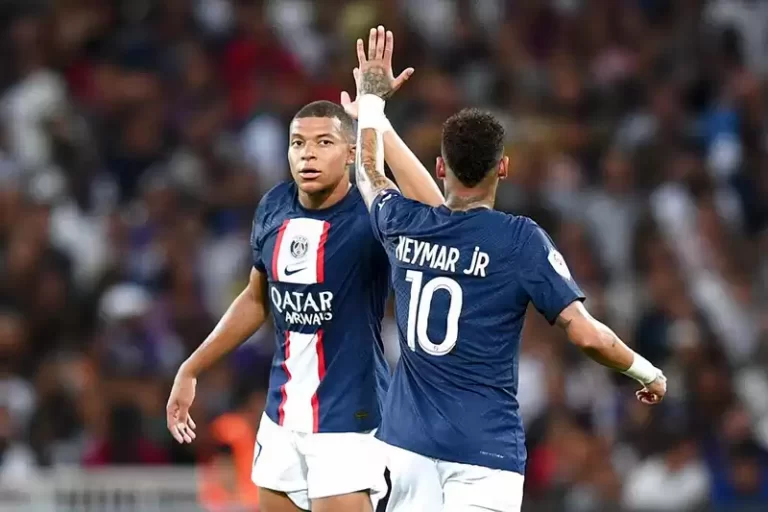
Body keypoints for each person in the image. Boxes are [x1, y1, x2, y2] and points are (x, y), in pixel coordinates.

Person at [353, 28, 668, 512]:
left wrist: (373, 107)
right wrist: (647, 373)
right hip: (484, 454)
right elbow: (587, 336)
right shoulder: (519, 240)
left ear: (441, 167)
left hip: (404, 447)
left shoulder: (406, 225)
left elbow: (369, 173)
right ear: (503, 168)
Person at [165, 27, 443, 512]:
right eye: (297, 143)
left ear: (352, 153)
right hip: (281, 415)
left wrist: (375, 117)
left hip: (349, 420)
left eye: (323, 142)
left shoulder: (371, 211)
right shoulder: (274, 206)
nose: (307, 153)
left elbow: (437, 213)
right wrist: (192, 367)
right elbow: (256, 299)